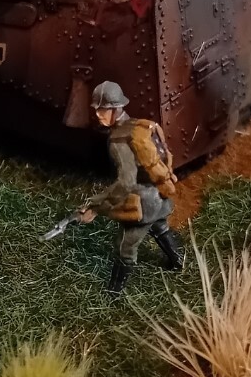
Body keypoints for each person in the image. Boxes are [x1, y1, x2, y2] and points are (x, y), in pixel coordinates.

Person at [78, 80, 183, 295]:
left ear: (116, 109)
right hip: (160, 192)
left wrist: (98, 205)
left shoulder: (118, 141)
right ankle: (178, 261)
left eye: (103, 109)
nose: (98, 114)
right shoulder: (140, 127)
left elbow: (126, 183)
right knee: (159, 227)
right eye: (97, 109)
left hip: (144, 203)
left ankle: (114, 293)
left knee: (124, 246)